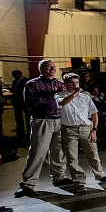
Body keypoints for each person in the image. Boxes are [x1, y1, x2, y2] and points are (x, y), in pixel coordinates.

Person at [15, 59, 72, 197]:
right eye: (48, 67)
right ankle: (28, 183)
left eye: (53, 67)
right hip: (42, 121)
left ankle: (59, 176)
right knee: (38, 151)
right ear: (41, 69)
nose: (52, 69)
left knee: (59, 151)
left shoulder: (60, 84)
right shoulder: (32, 84)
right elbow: (30, 103)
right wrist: (51, 96)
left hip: (59, 120)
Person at [55, 73, 106, 192]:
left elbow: (94, 113)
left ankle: (99, 174)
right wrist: (75, 94)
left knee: (93, 154)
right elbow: (62, 103)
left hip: (85, 128)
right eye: (72, 83)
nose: (75, 85)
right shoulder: (60, 96)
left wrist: (94, 129)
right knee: (71, 157)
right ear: (65, 84)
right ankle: (79, 181)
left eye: (77, 83)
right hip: (69, 129)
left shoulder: (85, 97)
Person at [10, 70, 30, 143]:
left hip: (24, 102)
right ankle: (20, 129)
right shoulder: (15, 82)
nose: (13, 77)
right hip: (17, 102)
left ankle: (29, 130)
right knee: (18, 117)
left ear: (19, 74)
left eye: (14, 75)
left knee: (27, 117)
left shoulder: (27, 81)